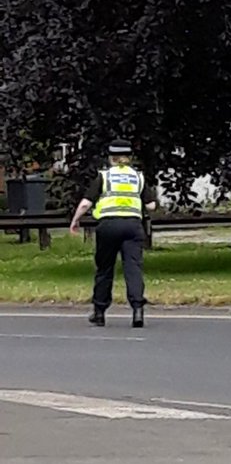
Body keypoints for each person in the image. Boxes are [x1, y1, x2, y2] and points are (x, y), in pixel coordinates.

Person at [69, 138, 157, 328]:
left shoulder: (104, 177)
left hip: (108, 226)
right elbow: (151, 205)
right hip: (133, 226)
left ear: (112, 158)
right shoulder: (138, 177)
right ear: (129, 158)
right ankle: (137, 310)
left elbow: (86, 203)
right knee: (133, 267)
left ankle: (99, 312)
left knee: (105, 269)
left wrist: (76, 220)